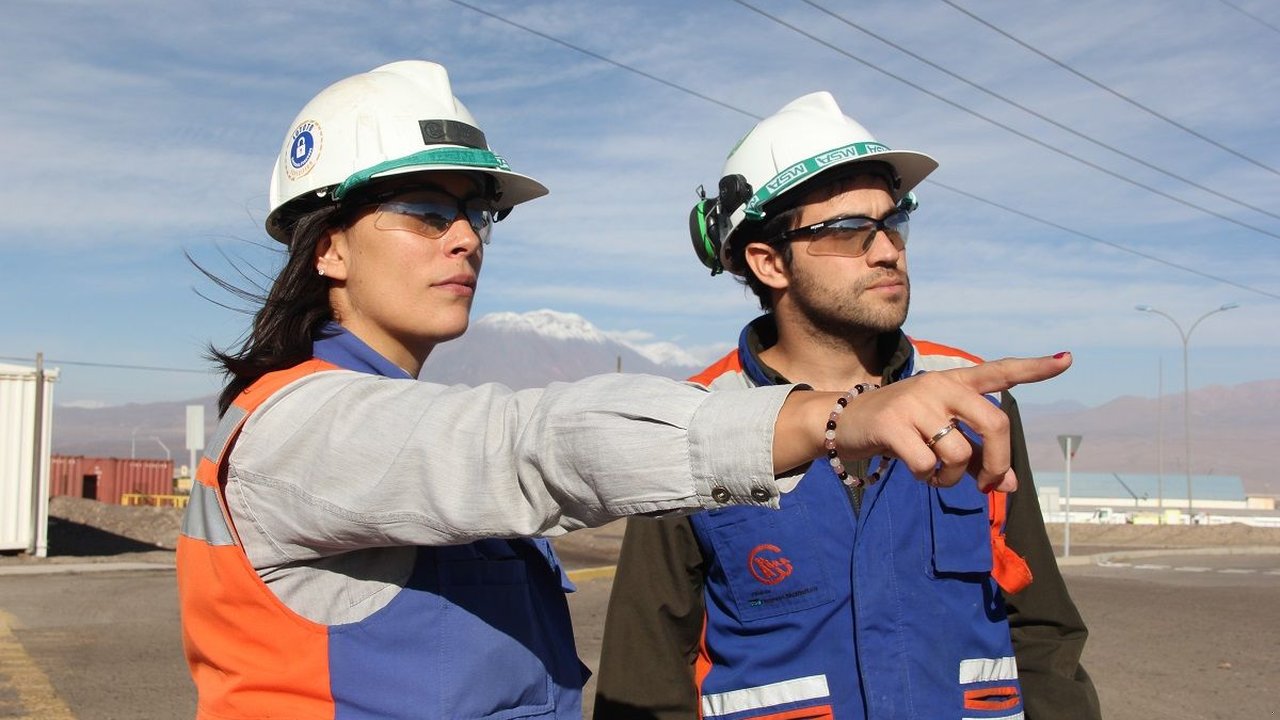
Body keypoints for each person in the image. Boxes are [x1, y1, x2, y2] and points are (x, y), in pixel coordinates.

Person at [176, 61, 1071, 720]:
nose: (466, 239)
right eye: (425, 210)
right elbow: (534, 445)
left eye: (477, 213)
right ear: (327, 246)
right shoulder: (298, 429)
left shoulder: (387, 422)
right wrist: (834, 418)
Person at [594, 92, 1100, 720]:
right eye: (848, 231)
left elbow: (1042, 633)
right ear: (768, 261)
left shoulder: (973, 399)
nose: (888, 249)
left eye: (893, 222)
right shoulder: (692, 426)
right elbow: (646, 676)